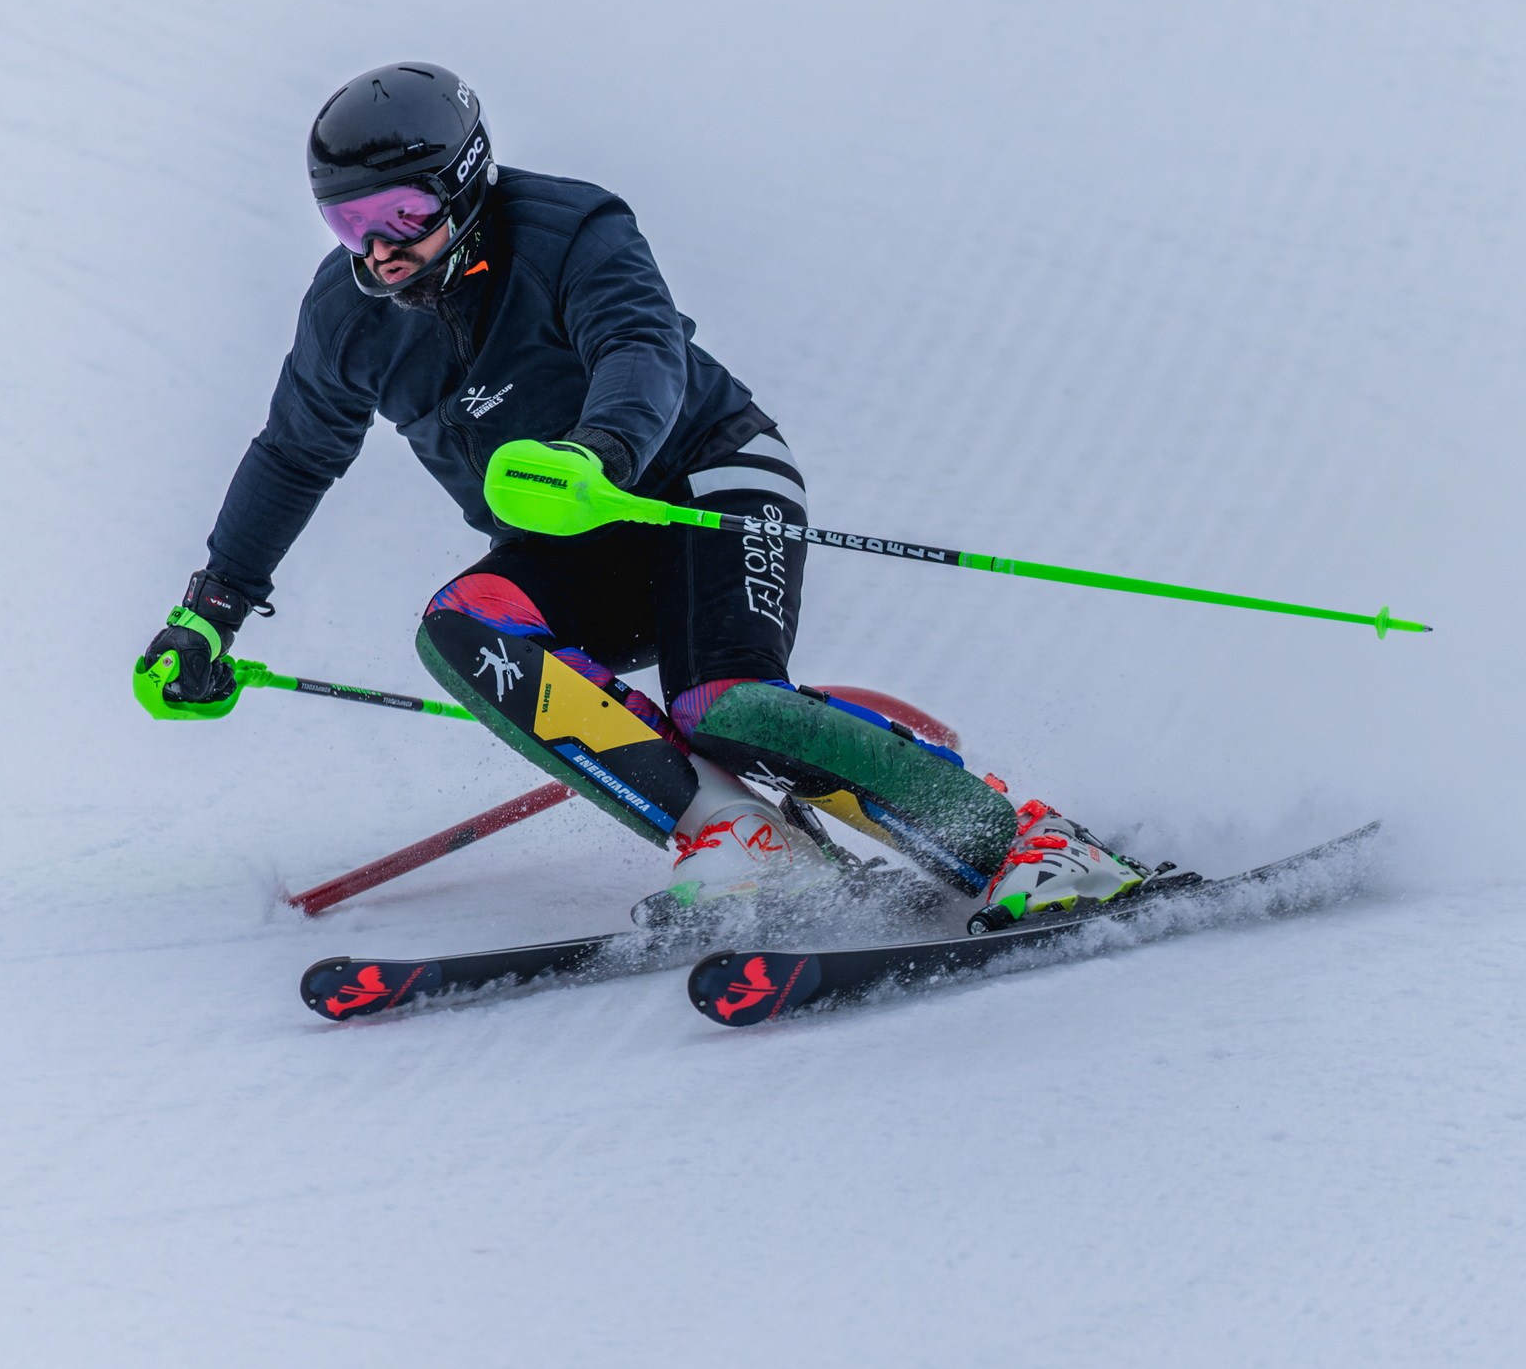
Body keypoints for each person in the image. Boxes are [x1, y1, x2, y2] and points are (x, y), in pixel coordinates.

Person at [139, 62, 1149, 929]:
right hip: (576, 543)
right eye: (347, 220)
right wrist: (210, 612)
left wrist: (602, 452)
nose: (377, 247)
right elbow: (292, 454)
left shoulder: (570, 226)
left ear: (466, 181)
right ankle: (742, 838)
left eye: (400, 213)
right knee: (463, 625)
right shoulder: (347, 316)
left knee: (723, 702)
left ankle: (1031, 842)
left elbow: (637, 342)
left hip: (700, 485)